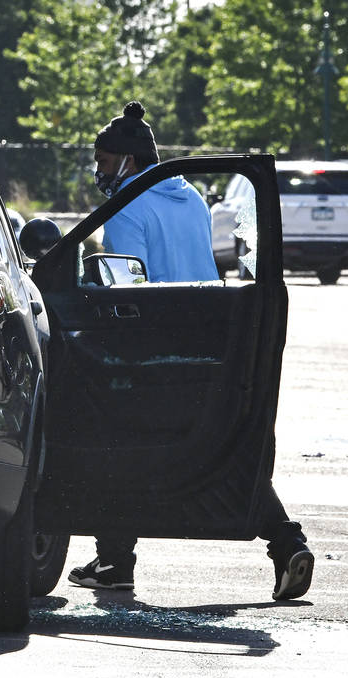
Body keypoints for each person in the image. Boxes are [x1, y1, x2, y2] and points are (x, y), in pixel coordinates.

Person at [67, 101, 314, 602]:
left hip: (152, 351)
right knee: (221, 455)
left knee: (113, 441)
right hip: (208, 347)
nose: (100, 170)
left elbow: (124, 292)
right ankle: (288, 544)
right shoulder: (192, 197)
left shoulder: (126, 208)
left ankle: (115, 562)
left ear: (129, 162)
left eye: (104, 159)